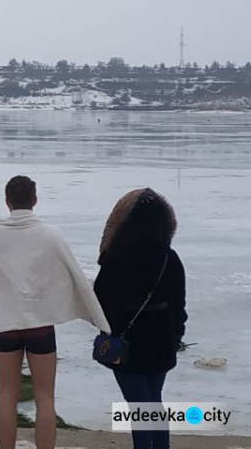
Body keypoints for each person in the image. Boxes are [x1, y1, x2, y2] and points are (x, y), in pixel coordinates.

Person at [0, 175, 110, 449]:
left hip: (8, 325)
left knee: (6, 395)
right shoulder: (49, 234)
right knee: (45, 397)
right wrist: (98, 318)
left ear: (7, 201)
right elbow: (73, 277)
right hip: (40, 326)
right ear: (35, 200)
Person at [94, 189, 187, 449]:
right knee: (153, 402)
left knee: (139, 407)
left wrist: (110, 330)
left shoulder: (116, 257)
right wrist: (177, 335)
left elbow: (100, 299)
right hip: (161, 341)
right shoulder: (170, 258)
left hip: (127, 343)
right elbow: (179, 303)